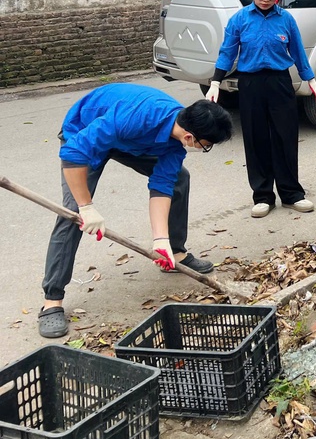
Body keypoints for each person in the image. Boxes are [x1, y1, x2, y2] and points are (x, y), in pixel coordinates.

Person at [39, 84, 233, 338]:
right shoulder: (135, 117)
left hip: (130, 142)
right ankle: (52, 301)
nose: (202, 149)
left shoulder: (175, 143)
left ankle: (173, 252)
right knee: (72, 213)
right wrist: (87, 207)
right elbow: (74, 152)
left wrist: (160, 240)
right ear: (189, 136)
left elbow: (162, 186)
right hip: (85, 131)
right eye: (205, 145)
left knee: (177, 179)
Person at [207, 0, 316, 218]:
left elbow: (298, 52)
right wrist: (215, 82)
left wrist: (310, 79)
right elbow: (228, 52)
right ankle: (262, 196)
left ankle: (292, 194)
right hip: (251, 84)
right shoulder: (240, 19)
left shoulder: (286, 20)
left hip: (280, 82)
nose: (265, 0)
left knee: (285, 137)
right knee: (255, 138)